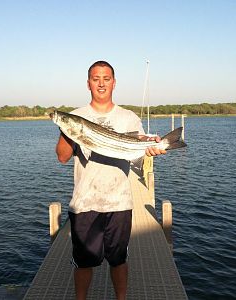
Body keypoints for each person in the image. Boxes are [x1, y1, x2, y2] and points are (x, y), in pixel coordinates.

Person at [55, 60, 166, 300]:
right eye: (96, 78)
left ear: (114, 83)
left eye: (106, 78)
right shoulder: (75, 117)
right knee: (83, 263)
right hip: (85, 202)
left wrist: (152, 148)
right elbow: (63, 157)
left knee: (118, 260)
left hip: (119, 202)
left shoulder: (128, 117)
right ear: (88, 84)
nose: (101, 83)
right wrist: (67, 128)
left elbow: (139, 148)